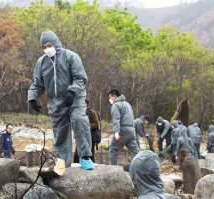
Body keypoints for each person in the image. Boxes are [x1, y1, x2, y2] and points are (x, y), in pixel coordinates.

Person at [28, 30, 94, 170]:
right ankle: (63, 163)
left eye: (49, 45)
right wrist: (33, 98)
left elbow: (81, 78)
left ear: (56, 43)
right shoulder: (41, 63)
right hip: (56, 101)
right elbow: (38, 83)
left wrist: (72, 90)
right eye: (44, 47)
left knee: (79, 120)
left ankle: (86, 156)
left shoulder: (70, 57)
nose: (47, 49)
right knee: (60, 132)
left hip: (74, 97)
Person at [107, 89, 139, 165]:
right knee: (137, 152)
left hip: (122, 130)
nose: (110, 99)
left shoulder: (116, 105)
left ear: (114, 96)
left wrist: (116, 131)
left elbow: (116, 119)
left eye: (110, 97)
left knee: (113, 151)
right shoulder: (128, 104)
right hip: (131, 131)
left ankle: (113, 171)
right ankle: (146, 167)